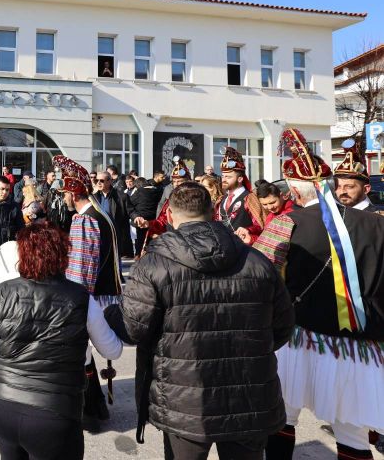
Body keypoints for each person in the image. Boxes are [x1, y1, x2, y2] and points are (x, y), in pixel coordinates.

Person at [107, 182, 294, 459]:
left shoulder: (154, 264)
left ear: (169, 215)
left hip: (186, 399)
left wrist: (110, 313)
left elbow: (134, 329)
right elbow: (282, 327)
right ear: (213, 214)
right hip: (245, 394)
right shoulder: (256, 260)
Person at [254, 128, 384, 460]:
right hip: (359, 345)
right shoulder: (377, 223)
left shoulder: (285, 224)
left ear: (294, 192)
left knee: (283, 415)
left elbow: (256, 275)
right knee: (351, 432)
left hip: (301, 338)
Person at [0, 222, 123, 460]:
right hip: (55, 413)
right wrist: (113, 320)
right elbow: (112, 350)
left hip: (3, 406)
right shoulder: (81, 298)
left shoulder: (2, 293)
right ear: (62, 255)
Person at [54, 155, 120, 431]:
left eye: (65, 194)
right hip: (104, 294)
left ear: (73, 192)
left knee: (80, 354)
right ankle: (96, 408)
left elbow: (81, 273)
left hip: (92, 297)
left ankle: (90, 412)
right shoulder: (99, 213)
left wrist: (74, 305)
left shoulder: (84, 221)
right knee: (86, 356)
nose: (64, 199)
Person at [133, 156, 191, 250]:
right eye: (174, 181)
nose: (176, 184)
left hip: (190, 240)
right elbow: (162, 220)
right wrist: (148, 223)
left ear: (187, 181)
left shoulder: (196, 198)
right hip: (173, 240)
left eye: (179, 181)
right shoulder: (171, 200)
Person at [216, 147, 263, 245]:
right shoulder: (221, 199)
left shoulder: (249, 198)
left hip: (244, 249)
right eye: (223, 176)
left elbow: (260, 225)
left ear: (240, 179)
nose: (224, 180)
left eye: (228, 177)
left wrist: (247, 230)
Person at [94, 170, 135, 259]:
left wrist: (137, 218)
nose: (98, 183)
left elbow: (131, 211)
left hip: (115, 235)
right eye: (97, 180)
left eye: (102, 180)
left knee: (115, 264)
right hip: (99, 235)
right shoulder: (93, 197)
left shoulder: (121, 196)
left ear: (110, 181)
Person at [333, 138, 374, 210]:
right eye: (337, 186)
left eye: (349, 186)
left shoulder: (377, 218)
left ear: (366, 189)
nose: (342, 192)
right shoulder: (333, 214)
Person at [127, 177, 161, 256]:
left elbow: (131, 202)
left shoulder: (139, 191)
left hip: (141, 218)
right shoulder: (157, 191)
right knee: (152, 237)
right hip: (153, 218)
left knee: (140, 238)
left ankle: (139, 254)